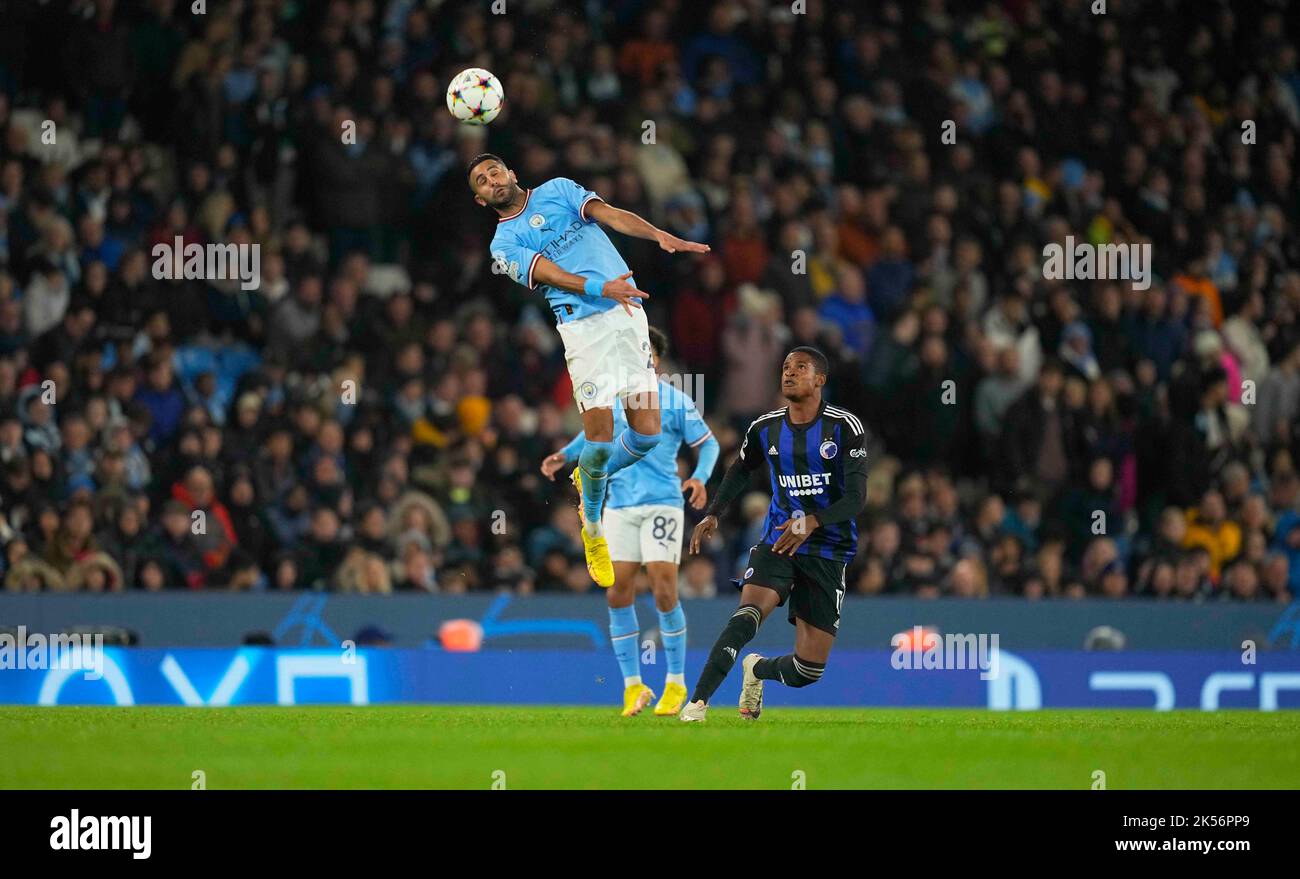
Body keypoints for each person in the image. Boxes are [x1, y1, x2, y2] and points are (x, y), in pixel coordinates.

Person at [469, 153, 710, 588]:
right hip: (584, 331)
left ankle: (588, 474)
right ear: (481, 200)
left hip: (628, 315)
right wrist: (602, 287)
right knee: (598, 436)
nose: (491, 181)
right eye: (482, 182)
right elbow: (550, 273)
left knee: (648, 433)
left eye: (494, 171)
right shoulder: (502, 245)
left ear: (512, 173)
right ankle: (593, 524)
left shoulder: (559, 190)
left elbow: (609, 214)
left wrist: (657, 234)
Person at [681, 347, 868, 722]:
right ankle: (697, 703)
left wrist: (812, 521)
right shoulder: (765, 428)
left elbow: (856, 499)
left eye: (801, 367)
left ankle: (757, 669)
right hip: (779, 540)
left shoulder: (845, 427)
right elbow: (739, 469)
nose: (789, 373)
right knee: (748, 613)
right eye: (785, 367)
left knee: (808, 671)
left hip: (827, 550)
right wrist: (713, 513)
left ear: (820, 380)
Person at [541, 327, 719, 716]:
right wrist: (565, 454)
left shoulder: (672, 400)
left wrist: (701, 478)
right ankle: (632, 687)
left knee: (662, 588)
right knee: (617, 591)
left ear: (657, 359)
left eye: (650, 353)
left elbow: (709, 444)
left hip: (662, 504)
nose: (644, 358)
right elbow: (595, 439)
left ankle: (675, 682)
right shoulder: (611, 397)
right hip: (618, 505)